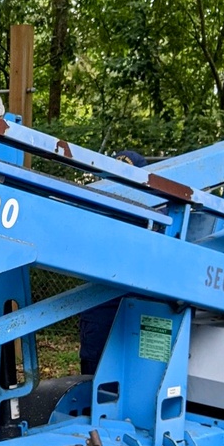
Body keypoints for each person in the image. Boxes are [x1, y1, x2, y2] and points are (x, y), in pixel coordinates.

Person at [78, 150, 148, 374]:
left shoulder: (153, 210)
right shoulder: (98, 209)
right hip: (102, 305)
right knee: (96, 368)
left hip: (133, 304)